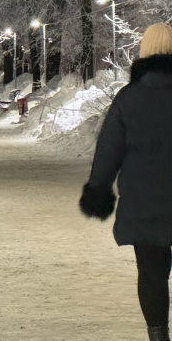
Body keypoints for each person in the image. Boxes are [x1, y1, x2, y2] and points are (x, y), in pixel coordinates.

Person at [80, 22, 172, 341]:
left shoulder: (127, 99)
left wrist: (98, 191)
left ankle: (159, 336)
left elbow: (108, 152)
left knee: (151, 275)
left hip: (144, 205)